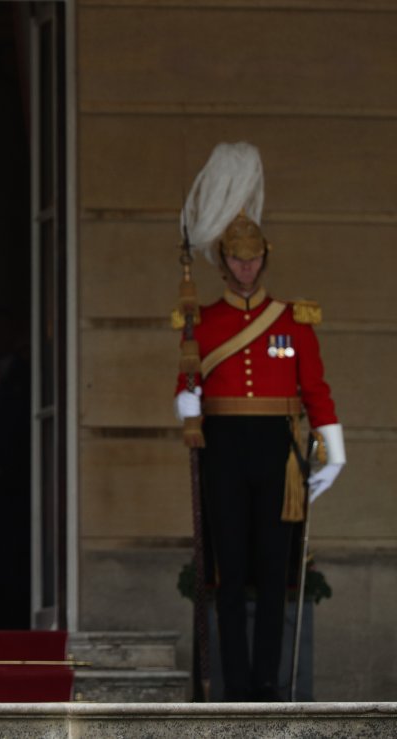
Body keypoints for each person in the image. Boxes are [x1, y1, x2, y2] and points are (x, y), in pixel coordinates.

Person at [174, 143, 345, 701]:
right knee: (229, 572)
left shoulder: (294, 320)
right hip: (223, 446)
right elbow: (188, 381)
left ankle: (270, 682)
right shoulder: (203, 318)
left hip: (277, 449)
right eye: (237, 260)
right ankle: (236, 686)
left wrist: (333, 449)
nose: (246, 268)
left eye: (253, 260)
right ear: (222, 262)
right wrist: (188, 407)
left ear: (263, 259)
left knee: (274, 573)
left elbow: (315, 388)